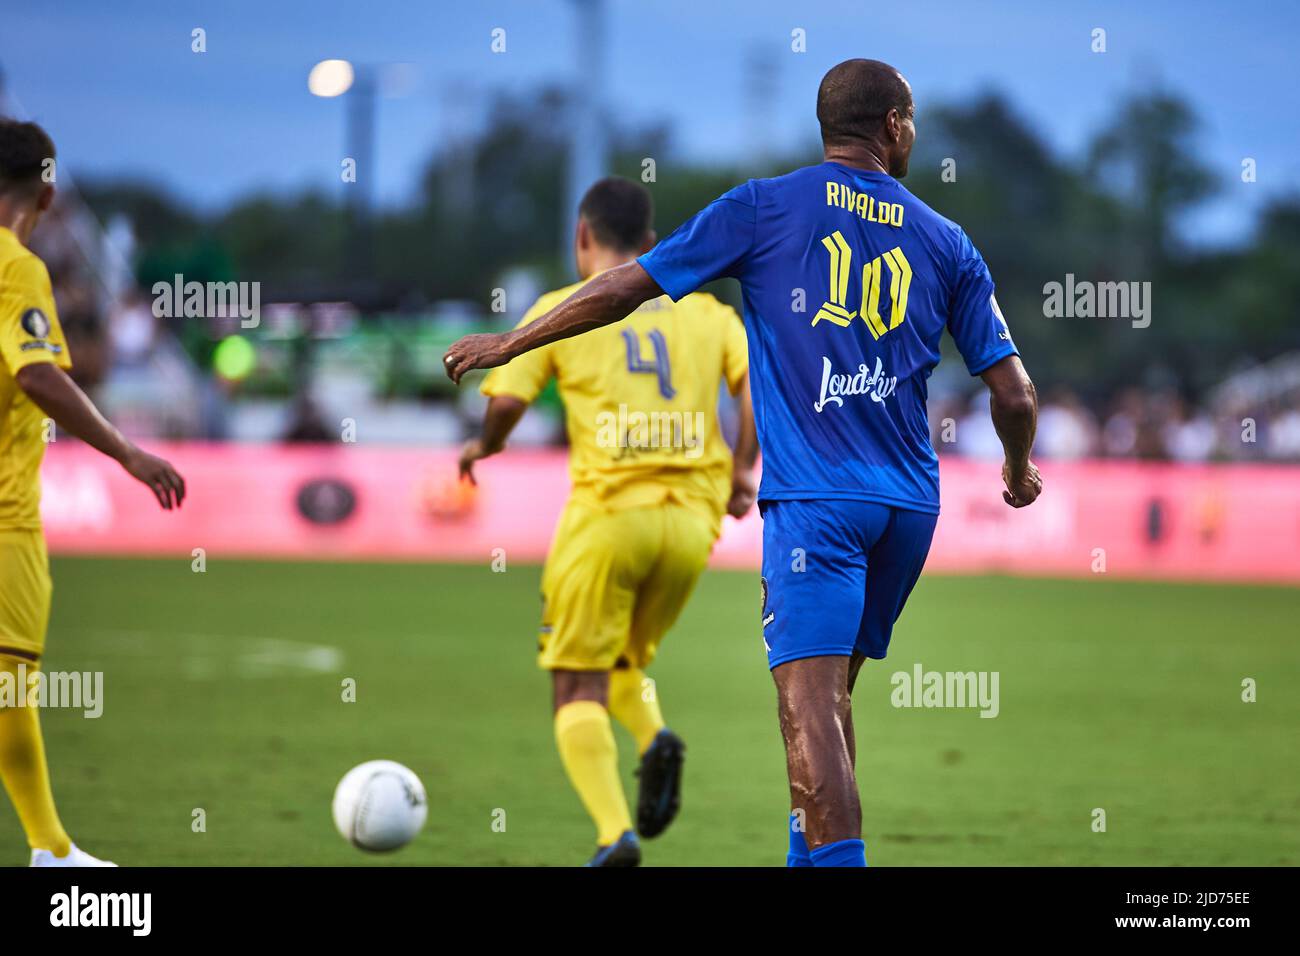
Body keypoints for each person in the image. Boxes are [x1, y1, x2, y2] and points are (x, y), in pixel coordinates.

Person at [443, 60, 1041, 867]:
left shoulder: (761, 208)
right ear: (894, 126)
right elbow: (1014, 394)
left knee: (808, 711)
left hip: (816, 504)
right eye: (913, 122)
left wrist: (510, 342)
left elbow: (625, 288)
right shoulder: (947, 240)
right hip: (907, 505)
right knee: (828, 705)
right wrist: (1015, 471)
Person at [459, 177, 757, 866]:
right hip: (690, 526)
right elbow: (757, 390)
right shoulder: (709, 315)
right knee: (622, 659)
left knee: (575, 681)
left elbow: (504, 407)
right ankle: (653, 738)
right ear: (653, 246)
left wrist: (482, 447)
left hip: (608, 520)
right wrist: (743, 469)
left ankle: (612, 835)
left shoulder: (558, 312)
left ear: (581, 238)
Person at [0, 118, 185, 867]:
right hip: (4, 519)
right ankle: (50, 853)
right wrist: (128, 452)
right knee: (10, 686)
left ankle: (50, 849)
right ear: (48, 190)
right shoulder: (16, 267)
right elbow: (38, 374)